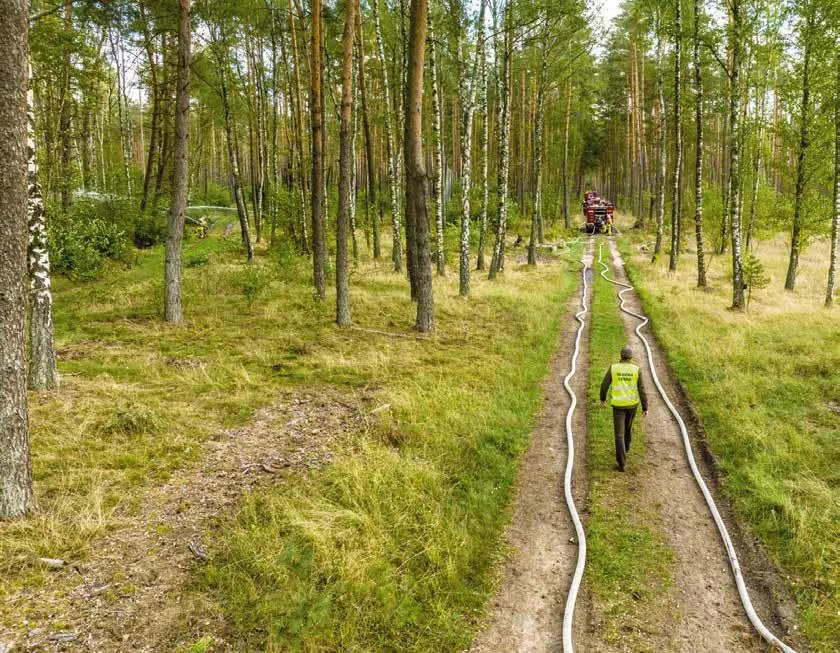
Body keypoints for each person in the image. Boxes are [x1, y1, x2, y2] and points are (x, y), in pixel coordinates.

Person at [600, 345, 648, 471]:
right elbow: (641, 389)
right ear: (631, 357)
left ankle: (621, 463)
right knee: (628, 428)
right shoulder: (636, 369)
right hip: (632, 405)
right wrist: (645, 406)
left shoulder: (613, 368)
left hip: (618, 406)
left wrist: (602, 398)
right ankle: (626, 448)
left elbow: (605, 384)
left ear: (620, 356)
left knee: (619, 435)